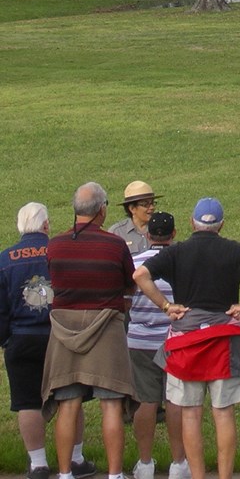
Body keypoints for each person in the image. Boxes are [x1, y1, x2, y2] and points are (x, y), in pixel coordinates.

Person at [133, 197, 240, 479]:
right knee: (223, 414)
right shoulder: (235, 250)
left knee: (190, 414)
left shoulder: (178, 252)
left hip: (187, 344)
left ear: (192, 223)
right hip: (223, 343)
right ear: (221, 224)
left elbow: (140, 274)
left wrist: (166, 306)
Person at [42, 182, 138, 479]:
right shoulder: (114, 244)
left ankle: (64, 473)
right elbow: (130, 282)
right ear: (102, 210)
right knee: (111, 405)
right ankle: (114, 474)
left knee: (67, 404)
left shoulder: (55, 245)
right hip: (106, 327)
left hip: (63, 330)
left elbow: (53, 281)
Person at [0, 203, 94, 479]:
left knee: (27, 402)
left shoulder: (4, 259)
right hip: (61, 336)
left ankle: (38, 464)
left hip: (22, 338)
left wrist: (7, 339)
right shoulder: (60, 252)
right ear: (46, 225)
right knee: (71, 398)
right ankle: (75, 460)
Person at [128, 212, 190, 479]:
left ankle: (145, 463)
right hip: (174, 339)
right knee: (174, 400)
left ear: (147, 235)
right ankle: (179, 463)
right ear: (174, 234)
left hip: (140, 339)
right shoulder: (183, 263)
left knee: (146, 400)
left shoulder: (134, 263)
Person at [110, 181, 161, 256]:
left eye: (152, 203)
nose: (152, 207)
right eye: (146, 204)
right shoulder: (117, 232)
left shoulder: (161, 227)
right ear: (132, 208)